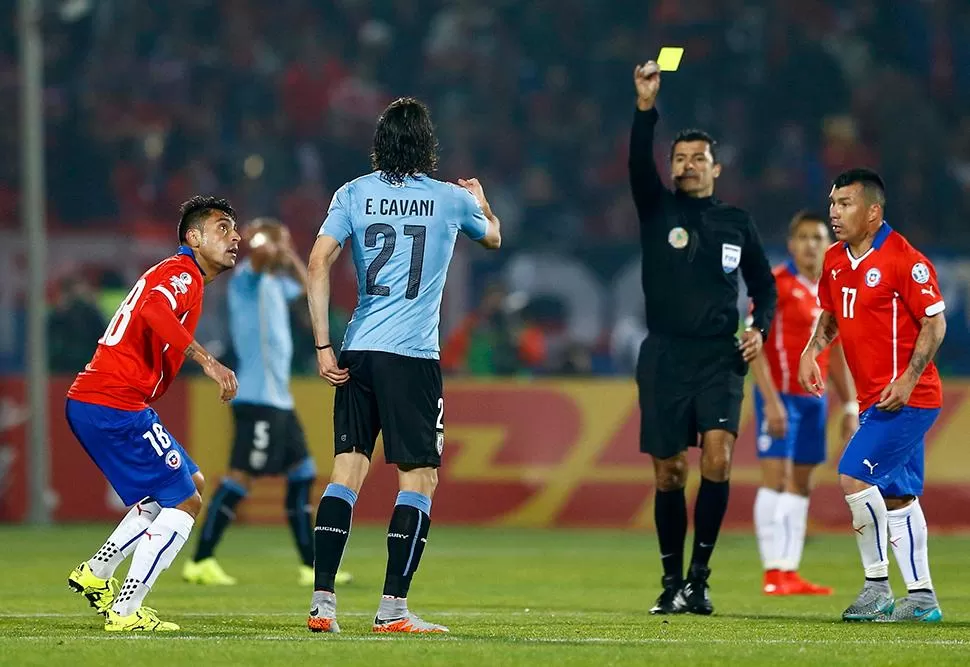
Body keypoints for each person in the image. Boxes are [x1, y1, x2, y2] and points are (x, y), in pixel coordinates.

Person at [304, 97, 501, 634]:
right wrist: (483, 201)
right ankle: (392, 609)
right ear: (427, 144)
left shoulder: (352, 192)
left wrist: (323, 344)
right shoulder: (448, 199)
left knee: (346, 472)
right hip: (412, 356)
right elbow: (494, 237)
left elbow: (319, 260)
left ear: (380, 142)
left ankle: (323, 603)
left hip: (358, 350)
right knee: (419, 478)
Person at [629, 61, 777, 615]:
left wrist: (759, 330)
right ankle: (670, 582)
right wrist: (646, 107)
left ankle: (700, 577)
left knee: (718, 459)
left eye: (697, 159)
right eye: (679, 159)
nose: (687, 166)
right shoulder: (655, 209)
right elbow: (635, 162)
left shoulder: (737, 221)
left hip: (719, 357)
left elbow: (764, 287)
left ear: (716, 167)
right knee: (669, 472)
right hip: (664, 355)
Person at [66, 196, 240, 631]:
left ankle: (97, 571)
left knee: (188, 482)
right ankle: (125, 610)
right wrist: (207, 360)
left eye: (235, 229)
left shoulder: (178, 273)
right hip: (114, 402)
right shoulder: (183, 272)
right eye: (223, 228)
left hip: (101, 399)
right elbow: (152, 311)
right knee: (185, 499)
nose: (235, 237)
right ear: (193, 238)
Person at [799, 168, 946, 623]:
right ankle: (921, 599)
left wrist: (906, 380)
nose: (834, 213)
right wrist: (810, 352)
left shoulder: (905, 259)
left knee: (853, 477)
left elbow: (934, 322)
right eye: (832, 204)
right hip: (873, 401)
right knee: (899, 497)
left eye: (845, 204)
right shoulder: (836, 260)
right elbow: (830, 315)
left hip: (908, 398)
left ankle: (877, 588)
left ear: (873, 211)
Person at [182, 218, 352, 588]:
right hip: (257, 398)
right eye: (282, 242)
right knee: (240, 477)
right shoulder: (247, 277)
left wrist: (289, 252)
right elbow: (259, 254)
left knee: (303, 473)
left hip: (280, 401)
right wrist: (270, 242)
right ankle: (201, 559)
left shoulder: (277, 283)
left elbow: (310, 290)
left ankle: (311, 565)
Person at [750, 210, 859, 595]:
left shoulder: (834, 292)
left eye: (818, 237)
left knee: (801, 483)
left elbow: (838, 354)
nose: (811, 244)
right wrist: (770, 402)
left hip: (814, 403)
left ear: (829, 245)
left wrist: (850, 407)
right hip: (778, 398)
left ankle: (789, 571)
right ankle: (771, 572)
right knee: (775, 481)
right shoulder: (775, 285)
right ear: (791, 244)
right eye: (803, 237)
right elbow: (754, 346)